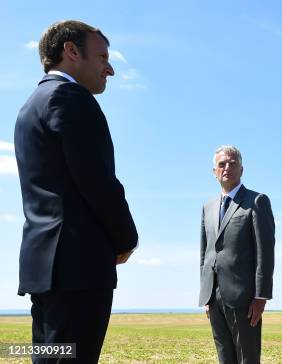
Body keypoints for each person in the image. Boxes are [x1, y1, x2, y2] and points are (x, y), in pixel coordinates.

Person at [14, 20, 138, 363]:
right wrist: (126, 239)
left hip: (45, 269)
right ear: (71, 51)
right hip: (79, 269)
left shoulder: (30, 105)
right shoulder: (70, 98)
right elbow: (97, 182)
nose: (110, 69)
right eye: (101, 58)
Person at [199, 145, 275, 364]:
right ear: (214, 171)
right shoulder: (208, 207)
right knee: (225, 359)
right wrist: (206, 294)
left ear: (242, 169)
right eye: (222, 164)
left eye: (233, 163)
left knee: (247, 358)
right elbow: (205, 253)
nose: (227, 168)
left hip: (244, 298)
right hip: (213, 297)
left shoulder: (257, 201)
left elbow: (265, 252)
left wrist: (261, 296)